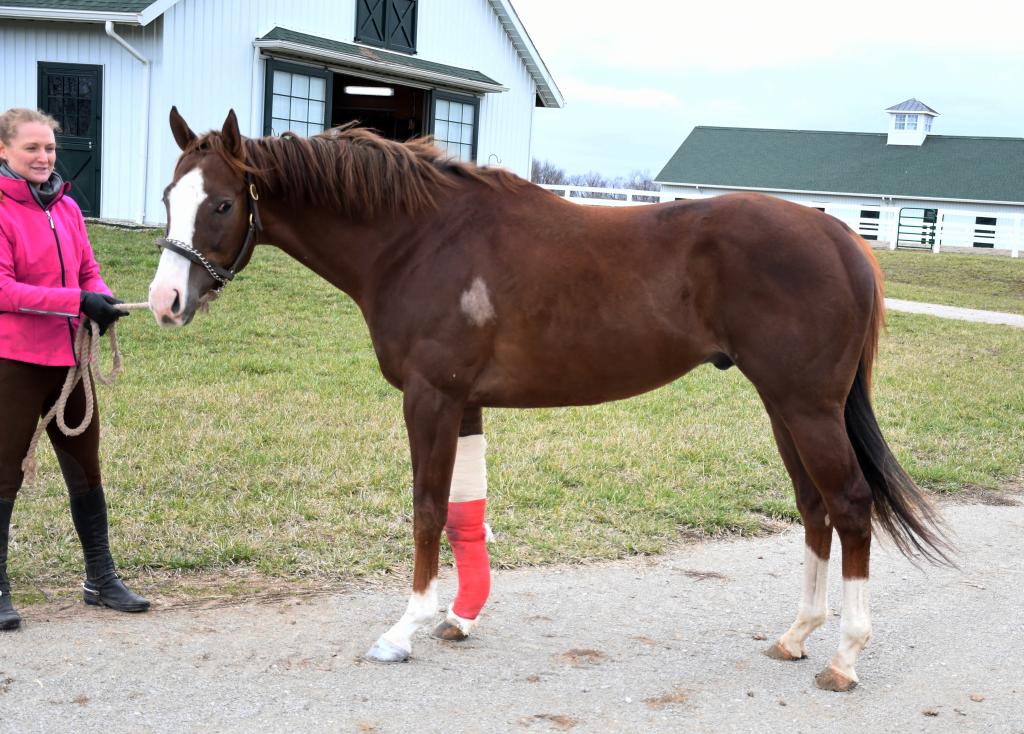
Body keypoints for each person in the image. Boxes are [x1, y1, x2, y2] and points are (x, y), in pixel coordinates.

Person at [0, 108, 148, 630]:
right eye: (31, 149)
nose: (44, 158)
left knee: (87, 470)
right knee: (4, 472)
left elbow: (87, 268)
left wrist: (100, 297)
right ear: (4, 152)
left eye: (50, 148)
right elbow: (4, 289)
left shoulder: (65, 206)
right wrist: (77, 300)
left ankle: (100, 578)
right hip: (15, 362)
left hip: (72, 361)